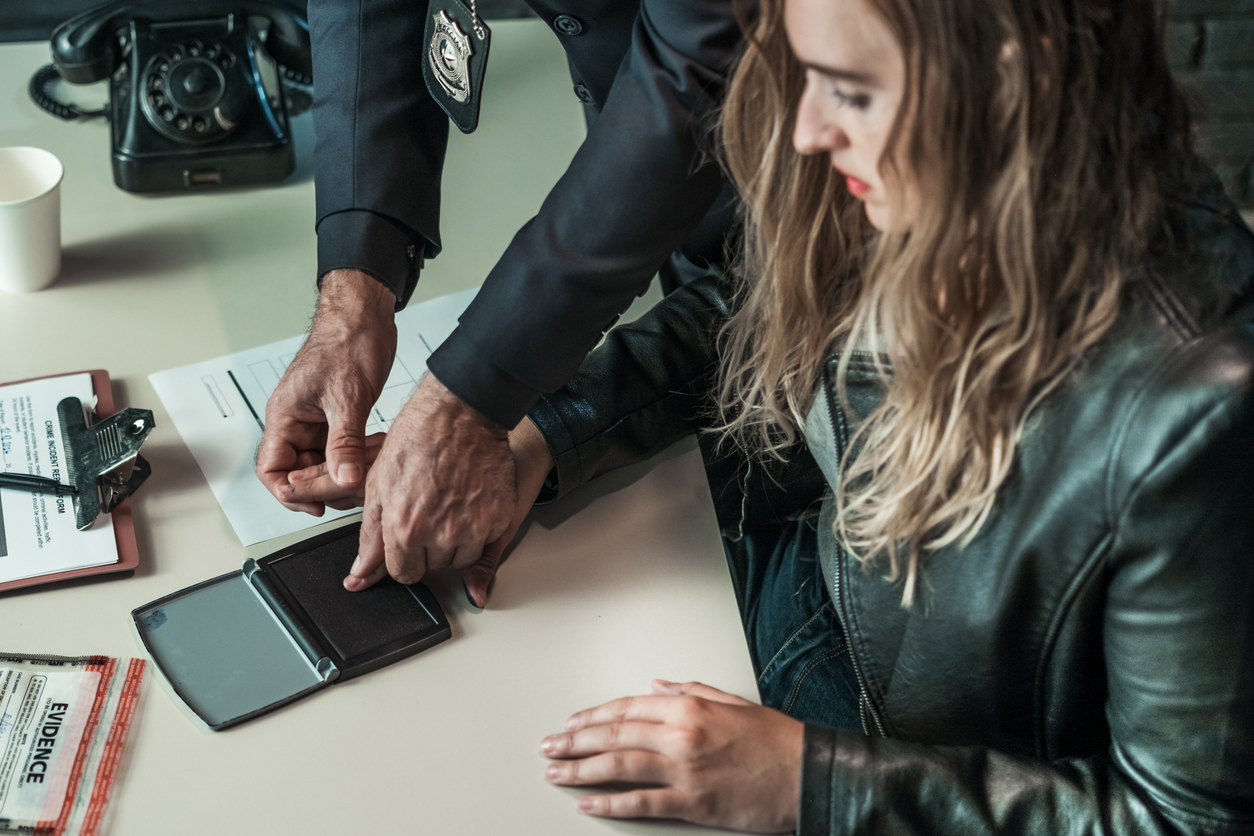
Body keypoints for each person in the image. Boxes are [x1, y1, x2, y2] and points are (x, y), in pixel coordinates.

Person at [287, 0, 1254, 831]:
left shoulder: (1202, 413)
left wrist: (806, 784)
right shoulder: (936, 167)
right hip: (785, 617)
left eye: (852, 92)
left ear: (1012, 71)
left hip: (893, 766)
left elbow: (1186, 817)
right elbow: (758, 314)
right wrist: (545, 436)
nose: (806, 132)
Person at [255, 0, 749, 602]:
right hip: (687, 251)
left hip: (805, 224)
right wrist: (351, 302)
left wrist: (473, 404)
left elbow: (692, 79)